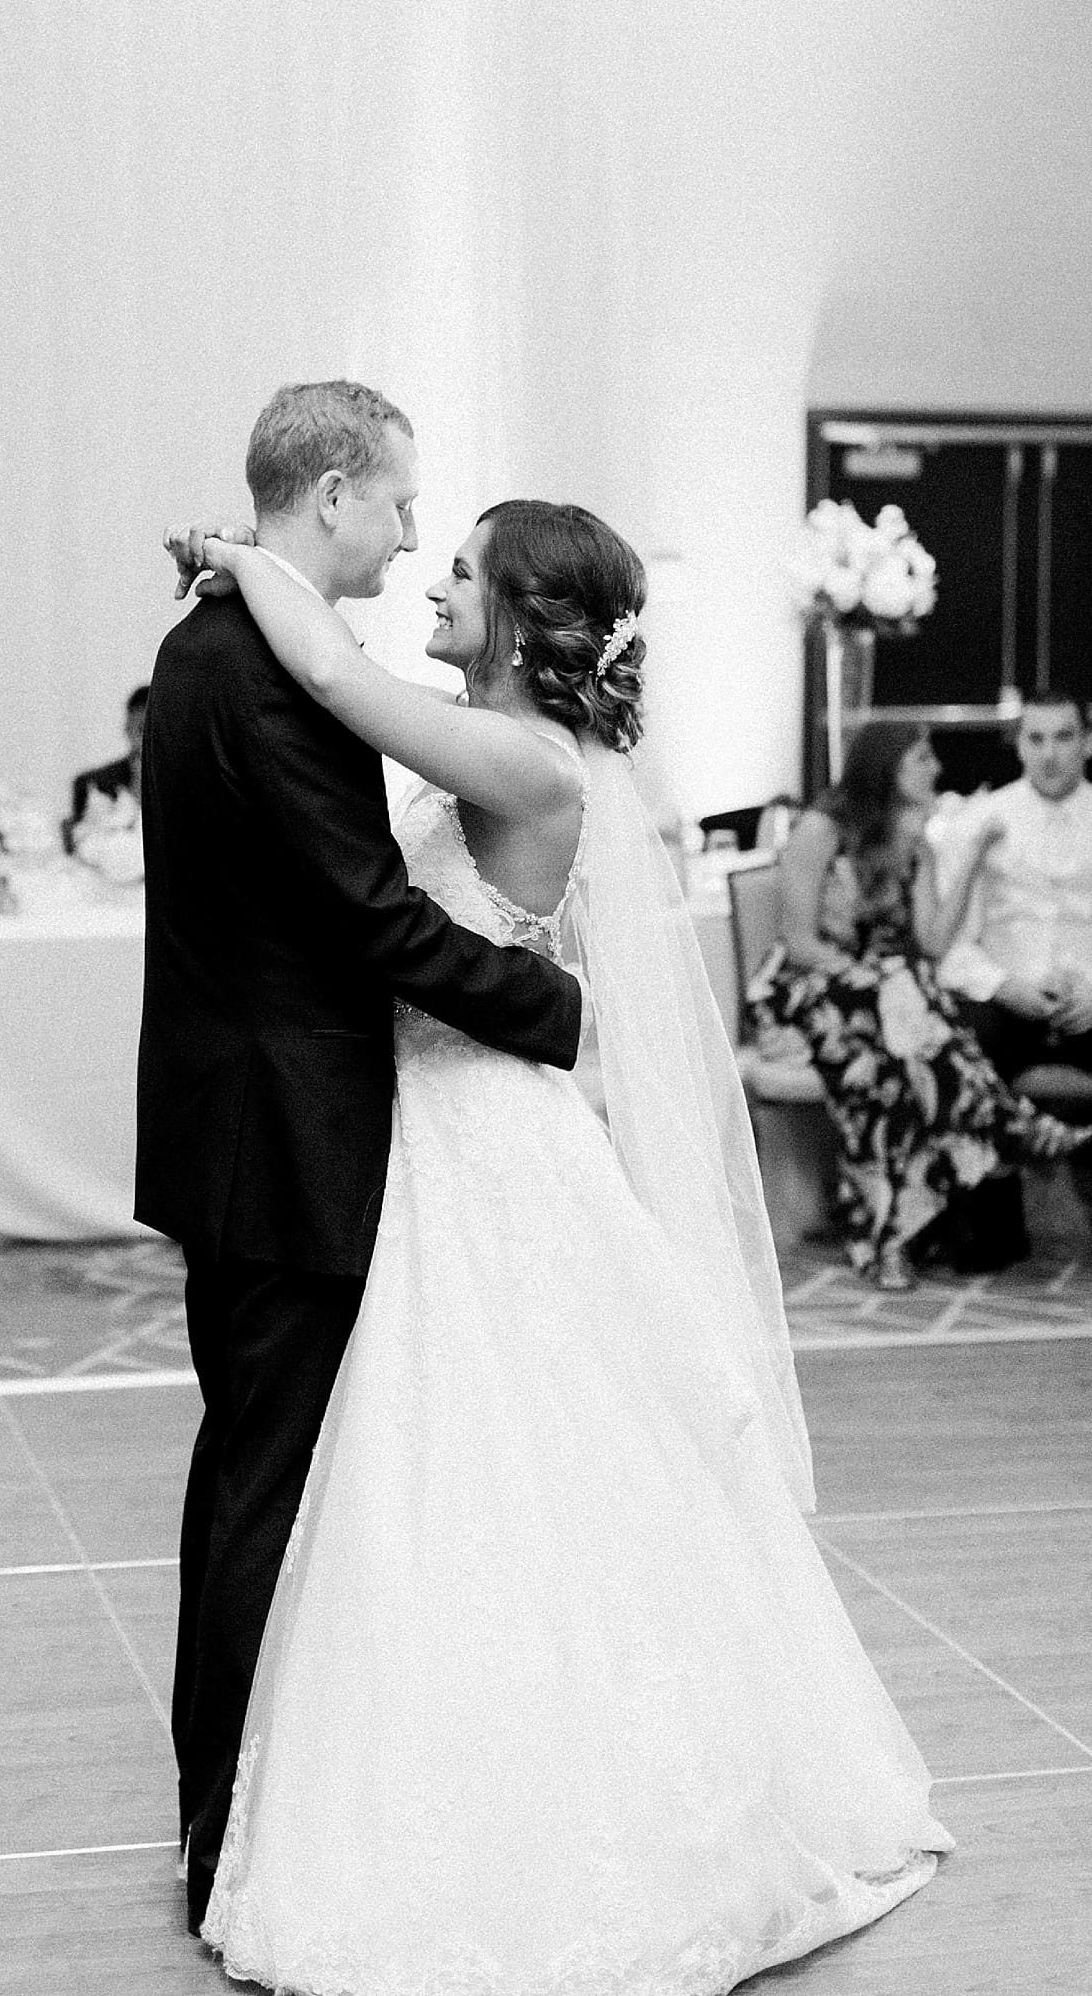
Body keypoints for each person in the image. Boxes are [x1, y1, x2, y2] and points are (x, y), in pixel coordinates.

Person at [178, 499, 952, 1994]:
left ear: (529, 623)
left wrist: (249, 560)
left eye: (460, 568)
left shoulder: (531, 763)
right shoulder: (494, 741)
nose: (435, 579)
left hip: (486, 1145)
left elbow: (339, 689)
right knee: (445, 1479)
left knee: (510, 1466)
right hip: (425, 1139)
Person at [138, 383, 585, 1940]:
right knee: (271, 1489)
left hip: (257, 1131)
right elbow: (368, 917)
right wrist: (550, 1005)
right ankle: (230, 1835)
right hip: (289, 1139)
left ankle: (255, 1803)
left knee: (277, 1478)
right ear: (329, 493)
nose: (409, 541)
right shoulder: (263, 666)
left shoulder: (215, 638)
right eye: (398, 507)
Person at [748, 719, 1088, 1290]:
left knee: (883, 1069)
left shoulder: (917, 840)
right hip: (805, 988)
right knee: (903, 994)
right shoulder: (820, 828)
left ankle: (889, 1243)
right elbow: (800, 939)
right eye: (924, 758)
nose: (937, 769)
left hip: (884, 1002)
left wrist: (971, 857)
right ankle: (1008, 1124)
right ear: (888, 766)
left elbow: (932, 941)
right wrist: (872, 978)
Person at [935, 690, 1092, 1083]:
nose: (1049, 755)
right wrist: (1004, 986)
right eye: (1036, 739)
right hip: (1005, 1005)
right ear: (1019, 745)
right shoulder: (977, 822)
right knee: (957, 1037)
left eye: (1064, 737)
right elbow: (950, 945)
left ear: (1088, 742)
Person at [64, 684, 149, 848]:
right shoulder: (92, 783)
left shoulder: (191, 782)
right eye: (140, 727)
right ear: (127, 727)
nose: (145, 735)